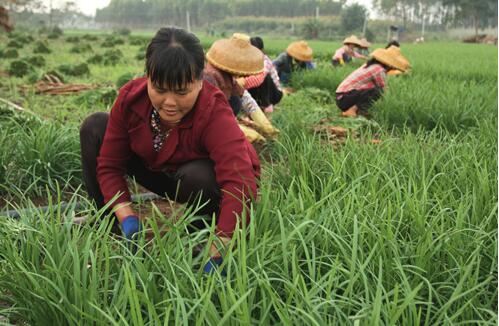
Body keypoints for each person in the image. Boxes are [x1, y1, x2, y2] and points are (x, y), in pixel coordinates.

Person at [79, 27, 260, 273]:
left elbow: (239, 182)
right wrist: (128, 217)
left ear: (199, 81)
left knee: (203, 176)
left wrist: (223, 243)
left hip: (195, 181)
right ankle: (113, 227)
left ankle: (201, 235)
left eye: (181, 92)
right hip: (156, 167)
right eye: (160, 89)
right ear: (148, 77)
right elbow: (110, 165)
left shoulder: (214, 111)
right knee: (94, 126)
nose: (170, 103)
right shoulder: (131, 98)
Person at [204, 33, 279, 142]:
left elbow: (245, 98)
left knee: (236, 100)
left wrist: (266, 126)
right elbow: (213, 116)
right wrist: (242, 131)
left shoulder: (229, 77)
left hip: (221, 119)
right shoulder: (211, 77)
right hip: (209, 124)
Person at [335, 46, 409, 117]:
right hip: (344, 98)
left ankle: (358, 111)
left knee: (374, 90)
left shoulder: (371, 65)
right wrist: (393, 102)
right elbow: (384, 88)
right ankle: (352, 110)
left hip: (341, 98)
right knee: (378, 91)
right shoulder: (378, 69)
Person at [235, 36, 283, 113]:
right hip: (259, 91)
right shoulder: (249, 61)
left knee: (264, 77)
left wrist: (240, 83)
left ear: (260, 50)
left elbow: (259, 79)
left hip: (274, 94)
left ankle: (267, 105)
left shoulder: (265, 60)